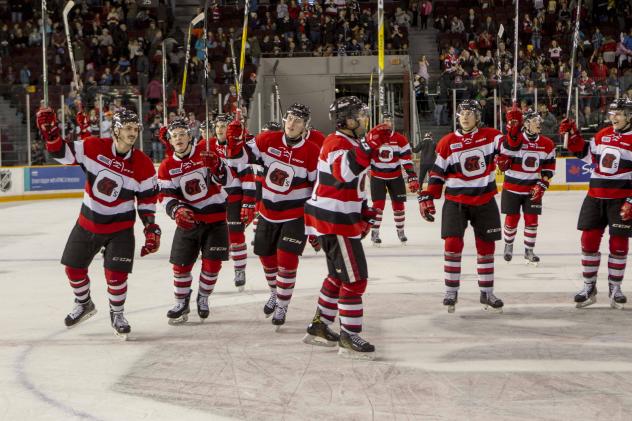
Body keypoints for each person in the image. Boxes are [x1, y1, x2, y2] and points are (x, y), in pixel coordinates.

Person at [35, 107, 160, 339]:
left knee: (116, 275)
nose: (133, 133)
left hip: (120, 227)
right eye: (127, 128)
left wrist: (151, 227)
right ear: (115, 130)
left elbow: (147, 199)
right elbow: (64, 154)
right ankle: (84, 303)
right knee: (73, 268)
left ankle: (117, 313)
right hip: (88, 221)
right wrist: (51, 135)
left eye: (135, 129)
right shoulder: (94, 147)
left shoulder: (142, 163)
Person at [302, 96, 391, 359]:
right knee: (355, 280)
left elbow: (352, 183)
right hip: (335, 221)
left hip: (337, 218)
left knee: (338, 277)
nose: (364, 119)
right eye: (359, 115)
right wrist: (371, 144)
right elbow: (345, 172)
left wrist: (362, 209)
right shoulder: (336, 142)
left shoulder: (350, 142)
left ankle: (319, 326)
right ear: (346, 120)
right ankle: (349, 336)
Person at [225, 104, 320, 328]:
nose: (292, 123)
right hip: (267, 213)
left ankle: (282, 306)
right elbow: (237, 161)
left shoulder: (312, 151)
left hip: (296, 215)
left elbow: (318, 186)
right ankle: (275, 293)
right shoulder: (267, 141)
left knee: (286, 261)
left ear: (305, 125)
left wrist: (316, 223)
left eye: (298, 120)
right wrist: (234, 141)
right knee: (266, 258)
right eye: (289, 118)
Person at [418, 100, 517, 313]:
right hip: (456, 202)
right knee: (452, 245)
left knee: (486, 248)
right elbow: (437, 173)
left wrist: (515, 128)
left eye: (470, 113)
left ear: (478, 117)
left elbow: (510, 147)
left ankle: (487, 292)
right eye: (462, 112)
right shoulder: (446, 142)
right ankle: (451, 291)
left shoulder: (491, 136)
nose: (465, 116)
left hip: (484, 199)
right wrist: (429, 196)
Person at [558, 98, 632, 310]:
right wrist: (573, 136)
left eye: (619, 114)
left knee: (618, 246)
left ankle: (615, 288)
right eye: (612, 113)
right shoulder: (602, 135)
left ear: (629, 116)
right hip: (595, 196)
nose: (614, 117)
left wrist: (631, 200)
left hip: (621, 200)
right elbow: (587, 156)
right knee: (588, 242)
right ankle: (589, 287)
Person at [157, 117, 232, 324]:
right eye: (174, 136)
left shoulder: (206, 152)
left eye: (182, 134)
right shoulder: (166, 166)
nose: (179, 138)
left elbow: (228, 179)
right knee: (181, 266)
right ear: (170, 141)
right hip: (189, 222)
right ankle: (181, 302)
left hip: (215, 219)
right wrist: (177, 210)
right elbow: (166, 196)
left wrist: (216, 165)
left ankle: (203, 297)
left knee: (212, 265)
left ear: (190, 136)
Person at [496, 109, 556, 265]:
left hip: (532, 189)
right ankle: (508, 245)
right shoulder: (514, 140)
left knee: (532, 220)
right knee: (512, 219)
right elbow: (501, 153)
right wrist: (501, 160)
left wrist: (543, 183)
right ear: (526, 124)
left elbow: (549, 169)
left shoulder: (547, 144)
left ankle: (529, 250)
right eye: (536, 121)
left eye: (539, 121)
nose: (539, 124)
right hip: (511, 188)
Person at [203, 114, 256, 291]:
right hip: (213, 200)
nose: (220, 129)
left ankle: (239, 269)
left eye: (224, 126)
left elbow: (248, 177)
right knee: (211, 239)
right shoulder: (207, 145)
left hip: (234, 198)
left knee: (235, 236)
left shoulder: (237, 148)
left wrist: (248, 203)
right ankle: (209, 277)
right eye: (217, 126)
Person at [369, 112, 418, 245]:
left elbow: (406, 159)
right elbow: (365, 157)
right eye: (384, 120)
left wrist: (412, 176)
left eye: (389, 121)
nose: (387, 123)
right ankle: (375, 232)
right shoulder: (373, 137)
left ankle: (400, 231)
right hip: (377, 176)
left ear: (393, 123)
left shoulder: (400, 139)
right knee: (378, 206)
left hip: (395, 176)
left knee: (399, 206)